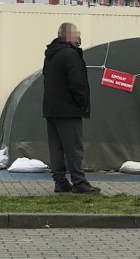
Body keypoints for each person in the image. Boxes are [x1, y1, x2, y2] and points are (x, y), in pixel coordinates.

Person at [42, 22, 100, 194]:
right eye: (76, 35)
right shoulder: (70, 55)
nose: (78, 38)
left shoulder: (50, 55)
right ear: (69, 37)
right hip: (68, 109)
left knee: (56, 148)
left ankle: (60, 182)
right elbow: (78, 82)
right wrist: (82, 103)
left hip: (51, 108)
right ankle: (79, 182)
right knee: (74, 147)